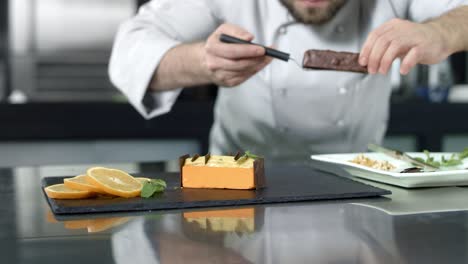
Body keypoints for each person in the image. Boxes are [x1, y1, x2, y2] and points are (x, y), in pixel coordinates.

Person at [109, 0, 468, 163]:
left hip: (361, 189)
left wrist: (439, 31)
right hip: (234, 196)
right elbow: (130, 48)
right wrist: (201, 61)